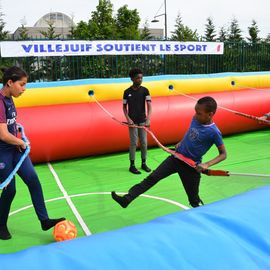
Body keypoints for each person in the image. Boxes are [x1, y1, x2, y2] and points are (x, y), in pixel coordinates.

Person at [112, 96, 227, 208]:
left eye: (199, 113)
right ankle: (127, 199)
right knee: (152, 178)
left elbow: (223, 154)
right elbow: (190, 132)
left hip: (191, 166)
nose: (195, 115)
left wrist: (206, 164)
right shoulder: (196, 118)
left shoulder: (214, 132)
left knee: (194, 200)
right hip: (176, 158)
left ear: (210, 114)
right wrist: (181, 142)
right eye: (195, 111)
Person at [0, 66, 65, 240]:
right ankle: (1, 225)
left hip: (15, 149)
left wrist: (18, 140)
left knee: (33, 181)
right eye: (22, 85)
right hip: (3, 153)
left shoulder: (10, 99)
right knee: (10, 190)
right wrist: (20, 141)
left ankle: (44, 220)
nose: (24, 89)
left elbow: (11, 125)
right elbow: (3, 134)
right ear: (10, 82)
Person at [123, 68, 152, 174]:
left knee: (144, 142)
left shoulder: (145, 90)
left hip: (143, 121)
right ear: (132, 79)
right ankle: (132, 165)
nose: (140, 80)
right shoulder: (127, 92)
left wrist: (148, 119)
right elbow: (124, 108)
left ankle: (144, 163)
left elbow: (149, 105)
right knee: (133, 143)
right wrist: (128, 119)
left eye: (141, 78)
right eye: (137, 78)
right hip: (132, 122)